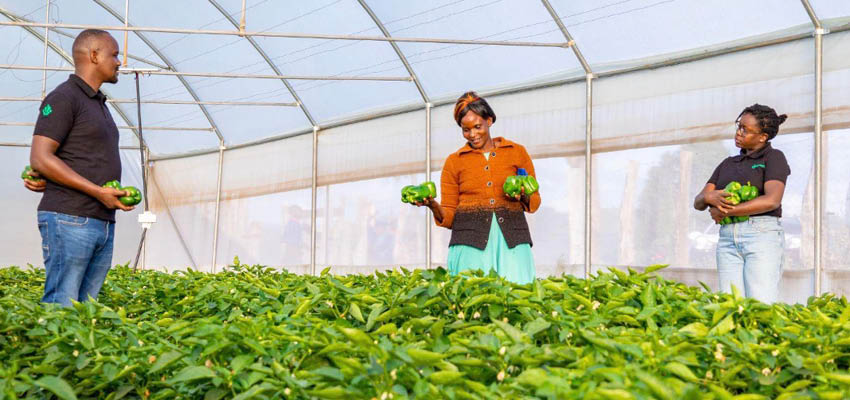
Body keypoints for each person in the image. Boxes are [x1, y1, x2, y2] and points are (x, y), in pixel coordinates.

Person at [23, 29, 133, 306]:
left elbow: (75, 157)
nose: (119, 62)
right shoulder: (64, 98)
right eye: (115, 55)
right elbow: (41, 157)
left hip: (100, 218)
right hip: (69, 217)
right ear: (94, 55)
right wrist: (97, 191)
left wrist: (100, 196)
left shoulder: (97, 102)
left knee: (86, 308)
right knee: (63, 303)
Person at [413, 91, 541, 284]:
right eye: (465, 130)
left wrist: (522, 196)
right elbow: (449, 217)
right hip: (470, 244)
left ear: (489, 121)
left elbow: (534, 202)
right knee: (472, 302)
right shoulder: (454, 162)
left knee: (519, 298)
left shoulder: (516, 152)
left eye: (477, 127)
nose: (472, 134)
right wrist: (432, 205)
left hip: (512, 241)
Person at [693, 104, 790, 303]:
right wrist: (708, 198)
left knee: (760, 302)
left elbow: (772, 200)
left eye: (745, 130)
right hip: (727, 240)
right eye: (739, 126)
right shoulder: (728, 163)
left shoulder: (773, 158)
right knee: (730, 303)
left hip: (760, 235)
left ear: (762, 137)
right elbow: (699, 201)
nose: (738, 133)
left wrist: (728, 211)